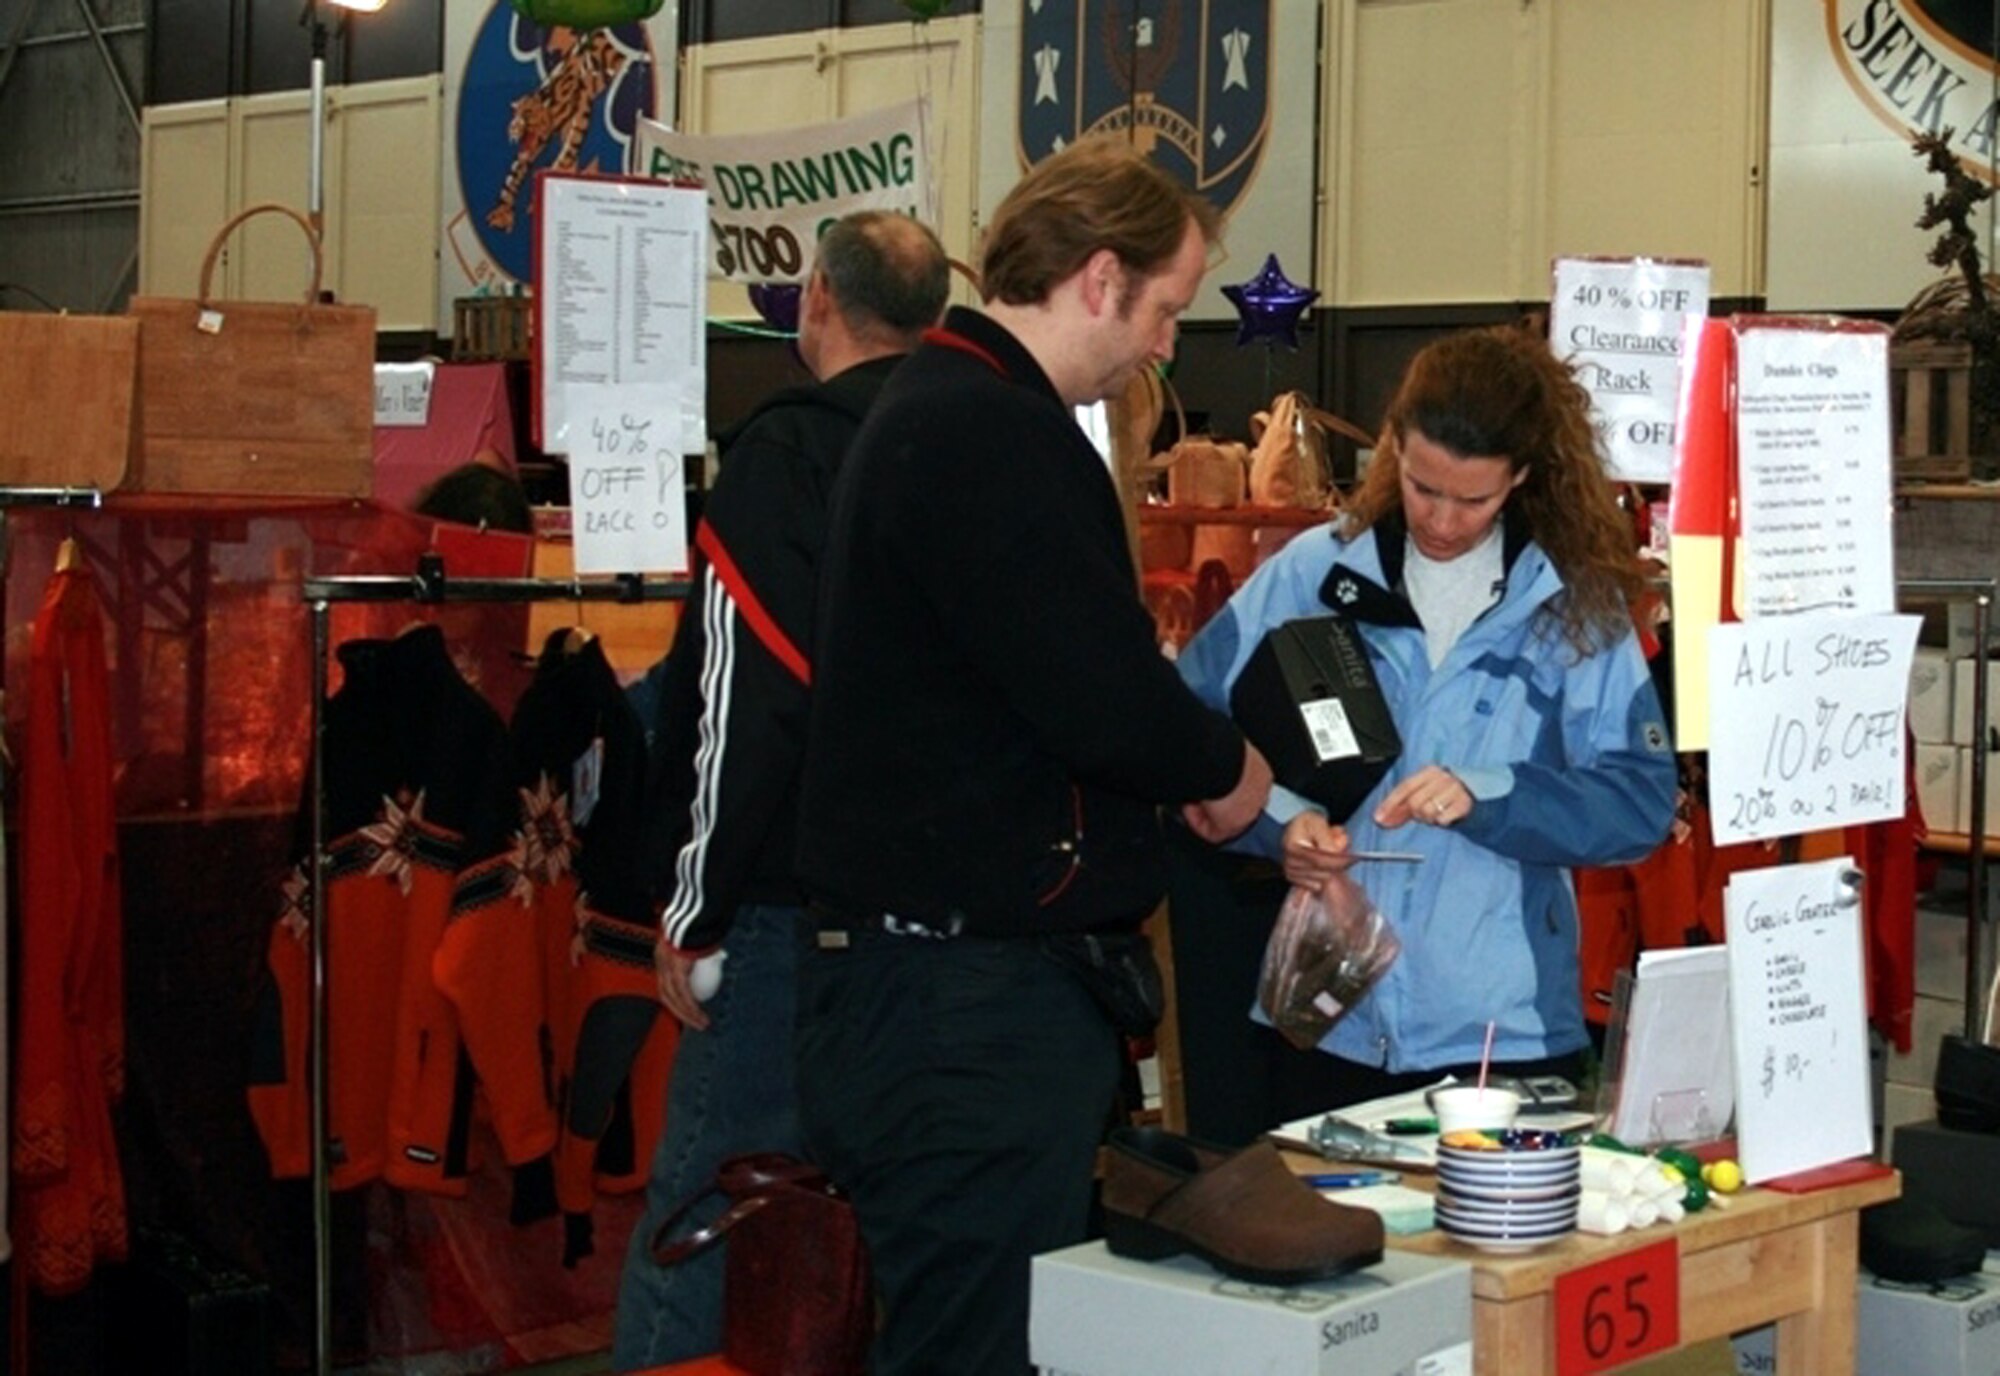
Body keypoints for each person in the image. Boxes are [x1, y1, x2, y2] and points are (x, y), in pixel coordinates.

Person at [791, 138, 1273, 1376]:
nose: (1167, 343)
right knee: (973, 1346)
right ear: (1100, 278)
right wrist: (1225, 770)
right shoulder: (985, 429)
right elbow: (1096, 689)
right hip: (960, 1009)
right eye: (1165, 307)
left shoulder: (950, 409)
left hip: (946, 990)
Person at [611, 210, 951, 1372]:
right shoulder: (980, 444)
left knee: (714, 1206)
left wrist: (690, 902)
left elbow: (744, 692)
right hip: (937, 927)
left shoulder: (782, 451)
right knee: (879, 1228)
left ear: (813, 299)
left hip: (778, 908)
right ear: (935, 318)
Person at [1177, 325, 1678, 1110]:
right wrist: (1281, 825)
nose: (1443, 520)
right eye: (1421, 487)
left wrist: (1492, 794)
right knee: (1328, 1234)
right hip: (1325, 1017)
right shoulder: (1313, 572)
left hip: (1498, 1039)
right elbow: (1188, 727)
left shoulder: (1575, 609)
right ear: (1393, 452)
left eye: (1472, 499)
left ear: (1521, 476)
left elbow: (1637, 804)